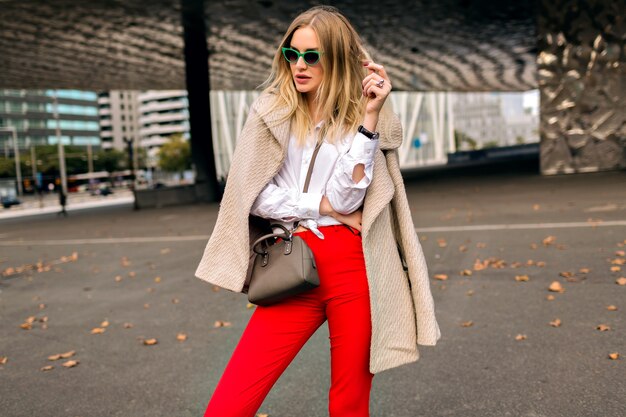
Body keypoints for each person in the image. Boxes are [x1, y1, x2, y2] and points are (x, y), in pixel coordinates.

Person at [195, 6, 440, 417]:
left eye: (313, 56)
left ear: (338, 59)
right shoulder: (270, 111)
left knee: (348, 406)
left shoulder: (360, 116)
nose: (300, 66)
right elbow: (250, 195)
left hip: (354, 267)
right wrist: (317, 205)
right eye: (292, 55)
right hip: (293, 261)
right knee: (229, 405)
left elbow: (348, 201)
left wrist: (369, 119)